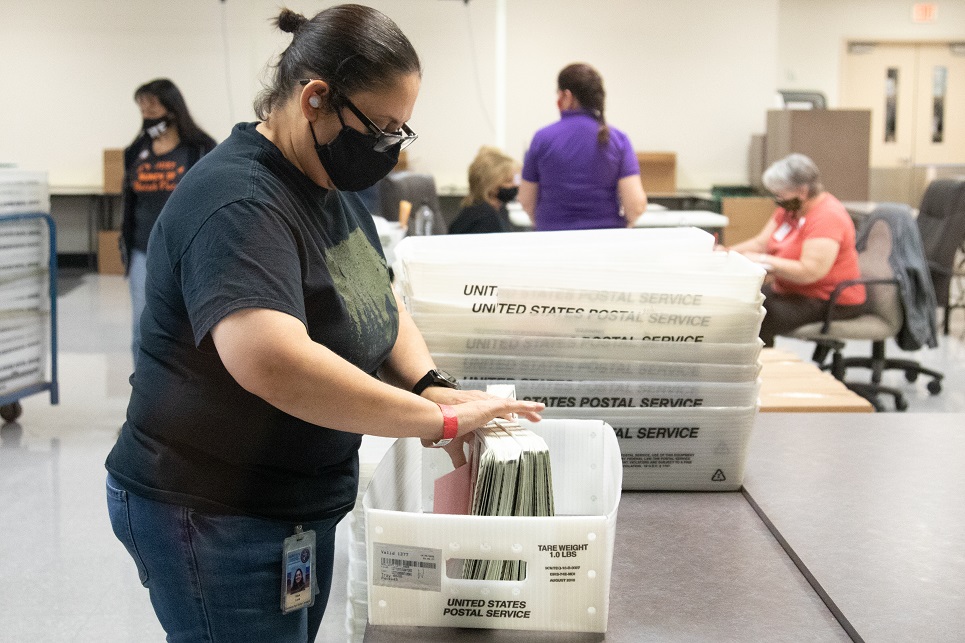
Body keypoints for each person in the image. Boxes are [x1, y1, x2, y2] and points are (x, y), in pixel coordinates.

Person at [104, 5, 544, 642]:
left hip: (293, 502)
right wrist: (439, 421)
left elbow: (381, 306)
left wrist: (429, 384)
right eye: (383, 125)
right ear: (315, 98)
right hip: (211, 511)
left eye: (402, 129)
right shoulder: (237, 201)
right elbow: (271, 360)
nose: (391, 145)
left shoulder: (331, 192)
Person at [120, 79, 217, 365]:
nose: (146, 111)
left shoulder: (200, 149)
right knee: (141, 327)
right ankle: (144, 391)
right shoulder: (135, 151)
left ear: (172, 109)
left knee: (189, 325)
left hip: (187, 252)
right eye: (141, 106)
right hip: (142, 250)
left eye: (152, 104)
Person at [726, 153, 867, 347]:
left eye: (780, 194)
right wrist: (727, 253)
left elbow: (810, 272)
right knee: (740, 299)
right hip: (792, 291)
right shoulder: (791, 209)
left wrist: (765, 261)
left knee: (758, 314)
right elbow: (761, 243)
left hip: (828, 299)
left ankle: (762, 368)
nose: (778, 199)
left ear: (801, 191)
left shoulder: (827, 217)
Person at [518, 63, 647, 231]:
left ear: (567, 96)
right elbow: (636, 205)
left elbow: (526, 201)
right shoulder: (618, 139)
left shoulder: (542, 138)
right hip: (605, 243)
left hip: (552, 242)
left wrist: (545, 225)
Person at [449, 146, 519, 234]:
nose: (515, 185)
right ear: (491, 185)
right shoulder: (484, 217)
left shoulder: (499, 210)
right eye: (508, 181)